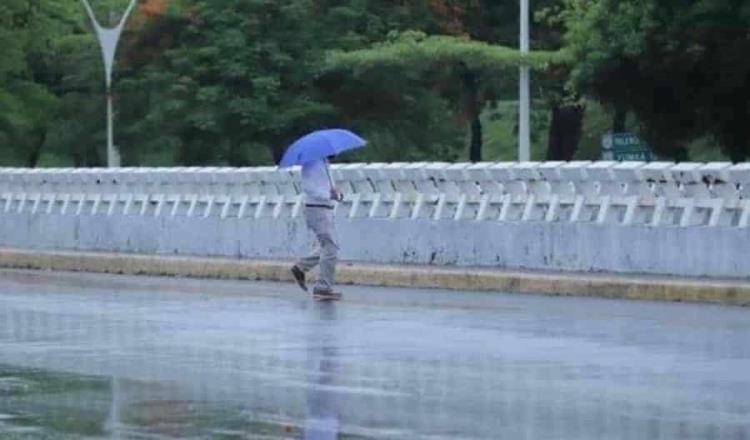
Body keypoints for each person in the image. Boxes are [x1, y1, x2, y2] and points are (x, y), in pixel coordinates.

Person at [291, 157, 343, 299]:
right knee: (331, 247)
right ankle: (323, 288)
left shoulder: (324, 163)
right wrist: (328, 195)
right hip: (317, 208)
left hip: (325, 208)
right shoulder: (311, 163)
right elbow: (310, 188)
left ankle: (301, 267)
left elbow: (326, 187)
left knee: (328, 246)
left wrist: (336, 194)